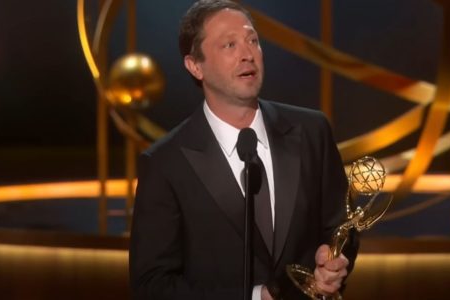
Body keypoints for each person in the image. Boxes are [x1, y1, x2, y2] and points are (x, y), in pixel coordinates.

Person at [129, 1, 358, 299]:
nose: (247, 54)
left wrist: (335, 262)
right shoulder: (165, 163)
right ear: (195, 65)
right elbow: (151, 285)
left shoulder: (312, 132)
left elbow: (341, 225)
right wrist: (254, 296)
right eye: (229, 45)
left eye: (253, 40)